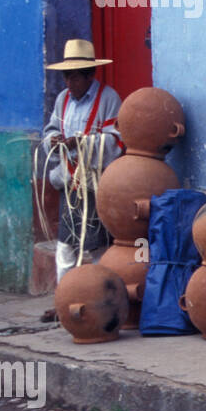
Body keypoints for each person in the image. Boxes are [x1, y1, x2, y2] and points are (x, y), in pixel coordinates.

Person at [39, 41, 124, 317]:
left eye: (75, 75)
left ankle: (102, 300)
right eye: (66, 75)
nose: (69, 81)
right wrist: (55, 140)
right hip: (70, 184)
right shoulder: (63, 99)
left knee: (98, 246)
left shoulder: (109, 99)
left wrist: (84, 143)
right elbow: (50, 130)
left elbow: (117, 139)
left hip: (96, 183)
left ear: (90, 75)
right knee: (65, 246)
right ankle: (64, 301)